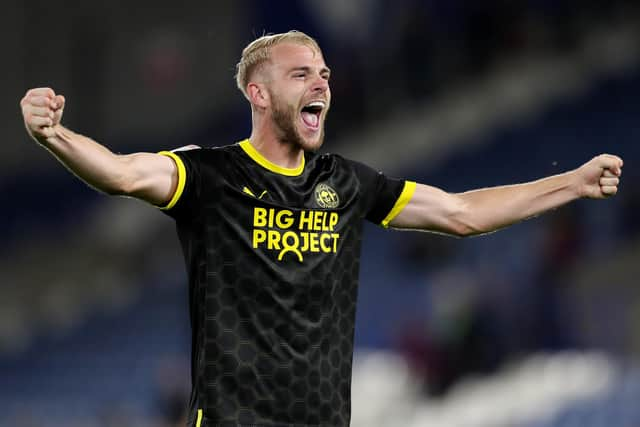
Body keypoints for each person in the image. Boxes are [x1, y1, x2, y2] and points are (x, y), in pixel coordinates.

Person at [20, 30, 622, 427]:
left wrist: (571, 183)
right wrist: (55, 136)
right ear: (258, 93)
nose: (321, 84)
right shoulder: (209, 174)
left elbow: (462, 214)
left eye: (326, 74)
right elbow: (124, 175)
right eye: (301, 73)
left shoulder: (349, 183)